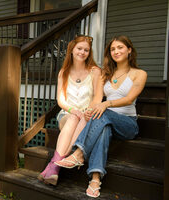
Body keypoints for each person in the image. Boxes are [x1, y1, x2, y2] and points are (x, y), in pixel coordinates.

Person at [55, 35, 147, 198]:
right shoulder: (106, 74)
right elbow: (97, 99)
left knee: (103, 114)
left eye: (120, 48)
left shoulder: (139, 74)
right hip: (106, 120)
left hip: (127, 124)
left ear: (129, 50)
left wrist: (106, 104)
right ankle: (95, 179)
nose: (116, 51)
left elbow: (129, 99)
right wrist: (91, 110)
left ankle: (79, 153)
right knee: (103, 128)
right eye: (112, 49)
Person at [37, 35, 101, 185]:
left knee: (81, 117)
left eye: (86, 50)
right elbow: (61, 100)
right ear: (72, 49)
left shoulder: (95, 71)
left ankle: (54, 167)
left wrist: (87, 110)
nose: (82, 52)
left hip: (87, 115)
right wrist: (73, 110)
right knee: (73, 117)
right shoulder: (63, 72)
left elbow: (97, 97)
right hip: (67, 115)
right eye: (79, 48)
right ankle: (58, 164)